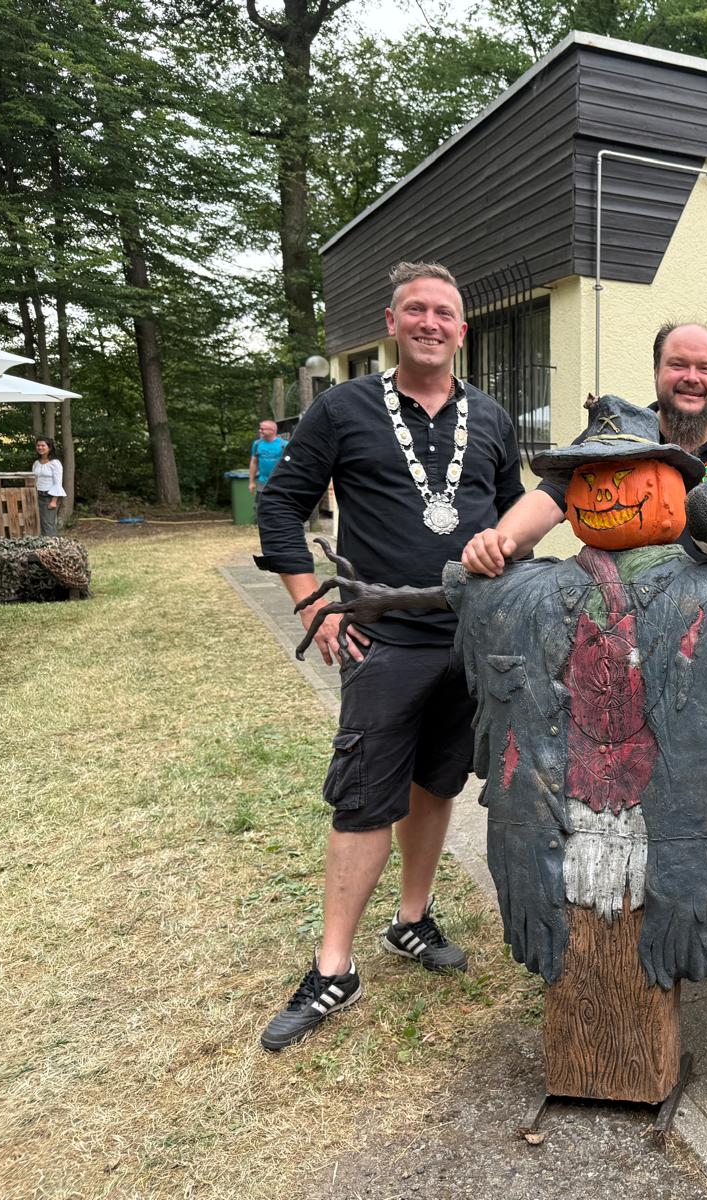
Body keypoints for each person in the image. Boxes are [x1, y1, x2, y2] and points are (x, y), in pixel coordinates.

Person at [254, 261, 525, 1051]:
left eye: (444, 312)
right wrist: (312, 603)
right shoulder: (342, 409)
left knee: (437, 781)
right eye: (416, 310)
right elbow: (281, 505)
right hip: (381, 635)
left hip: (466, 634)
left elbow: (514, 510)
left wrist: (511, 568)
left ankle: (410, 919)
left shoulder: (492, 416)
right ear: (393, 322)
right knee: (366, 796)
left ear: (462, 330)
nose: (430, 323)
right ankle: (333, 966)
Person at [461, 321, 707, 576]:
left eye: (705, 368)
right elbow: (547, 503)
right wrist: (499, 542)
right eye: (677, 365)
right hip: (620, 625)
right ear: (656, 372)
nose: (692, 377)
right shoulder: (612, 442)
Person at [32, 437, 65, 535]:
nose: (40, 447)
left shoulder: (55, 463)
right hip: (37, 495)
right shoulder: (36, 463)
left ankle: (51, 543)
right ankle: (42, 543)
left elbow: (58, 483)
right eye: (38, 445)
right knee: (39, 523)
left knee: (48, 524)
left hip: (49, 496)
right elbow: (34, 480)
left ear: (49, 447)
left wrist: (54, 501)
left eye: (43, 445)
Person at [250, 419, 287, 495]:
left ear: (272, 431)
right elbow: (253, 463)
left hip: (280, 483)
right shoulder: (257, 444)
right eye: (260, 429)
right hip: (263, 483)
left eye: (262, 429)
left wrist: (286, 459)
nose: (260, 431)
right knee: (261, 502)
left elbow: (290, 461)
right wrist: (251, 482)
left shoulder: (284, 445)